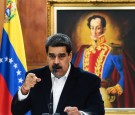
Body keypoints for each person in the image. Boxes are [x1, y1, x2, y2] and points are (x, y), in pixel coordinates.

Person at [11, 33, 105, 115]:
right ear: (47, 56)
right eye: (52, 56)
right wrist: (24, 89)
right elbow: (17, 111)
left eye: (61, 56)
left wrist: (81, 114)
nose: (56, 62)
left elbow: (98, 111)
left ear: (70, 56)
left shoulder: (88, 80)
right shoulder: (35, 77)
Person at [72, 15, 125, 108]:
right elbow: (75, 73)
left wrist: (116, 88)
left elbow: (125, 74)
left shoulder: (113, 51)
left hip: (102, 95)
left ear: (103, 29)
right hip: (83, 94)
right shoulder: (83, 51)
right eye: (92, 28)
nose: (94, 32)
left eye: (98, 28)